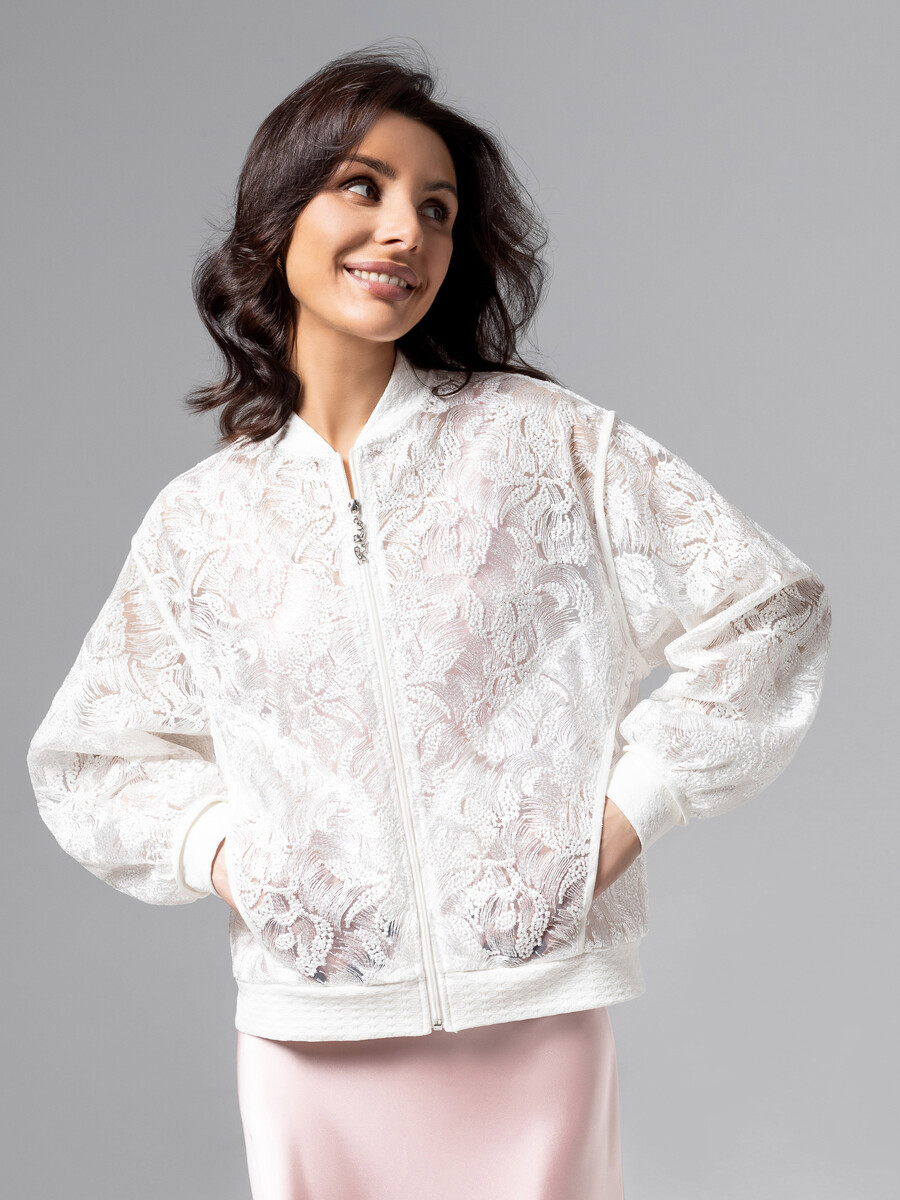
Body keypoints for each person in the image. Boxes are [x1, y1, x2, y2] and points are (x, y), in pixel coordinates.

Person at [26, 44, 832, 1200]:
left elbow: (769, 611)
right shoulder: (201, 520)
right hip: (314, 1033)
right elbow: (89, 761)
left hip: (531, 1015)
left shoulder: (545, 443)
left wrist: (615, 824)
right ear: (277, 217)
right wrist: (238, 862)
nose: (406, 230)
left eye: (438, 209)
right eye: (364, 186)